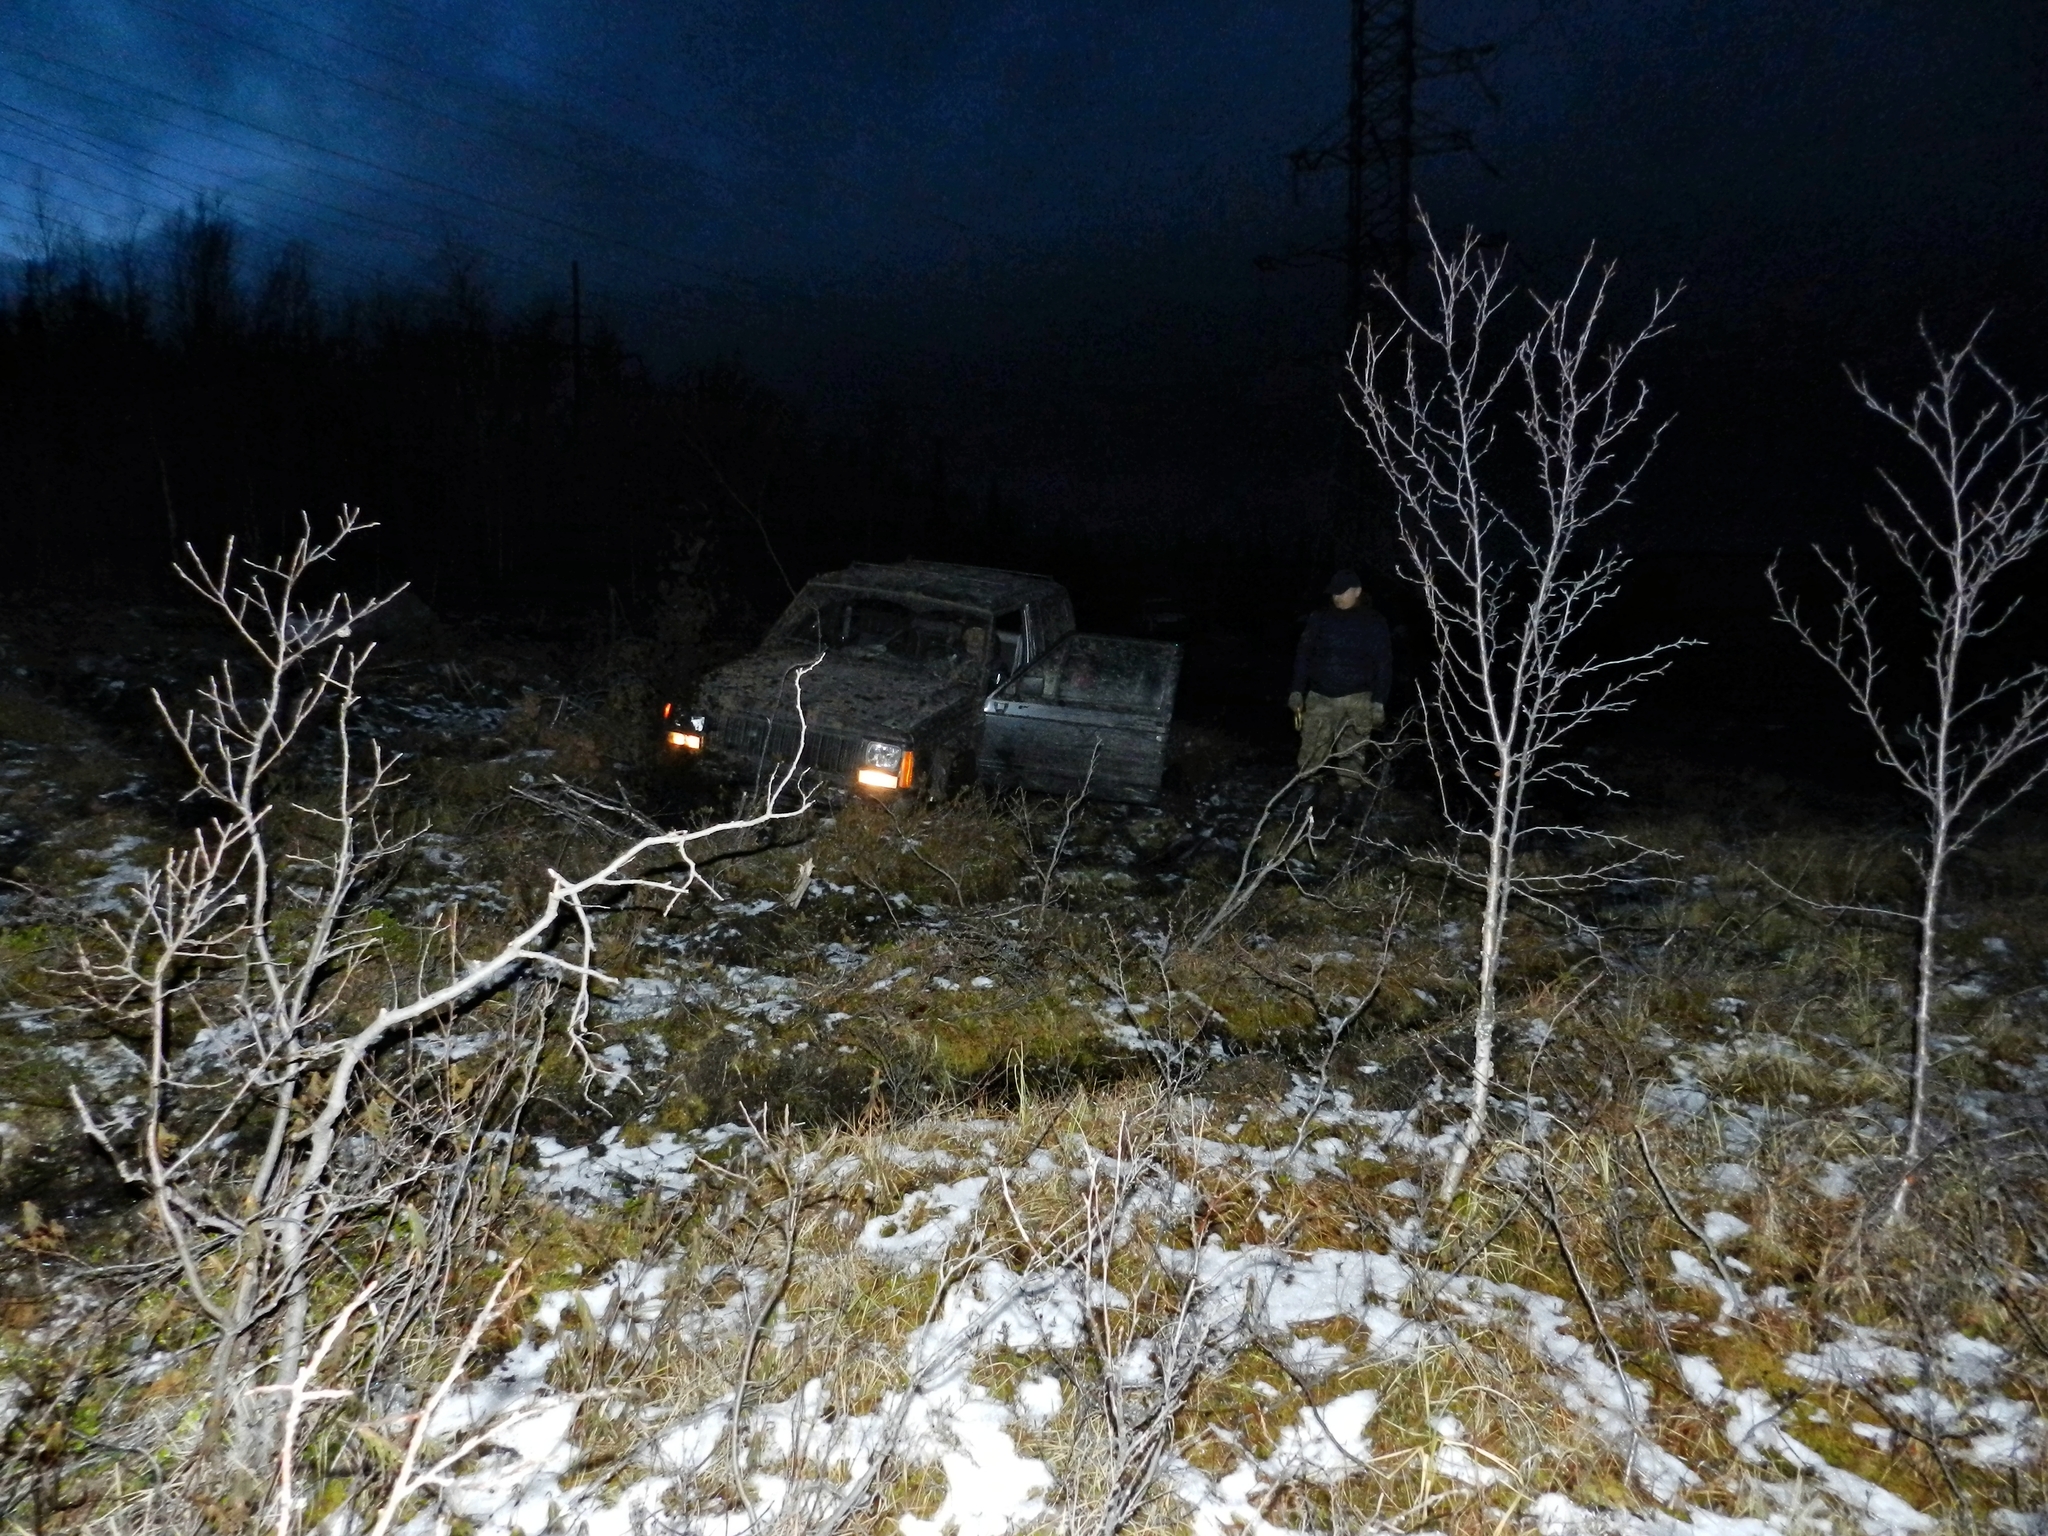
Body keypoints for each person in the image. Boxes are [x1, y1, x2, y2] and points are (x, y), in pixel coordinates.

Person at [1288, 570, 1392, 784]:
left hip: (1357, 700)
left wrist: (1379, 702)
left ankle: (1347, 812)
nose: (1337, 597)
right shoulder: (1319, 618)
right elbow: (1303, 655)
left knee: (1352, 757)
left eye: (1342, 592)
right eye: (1334, 593)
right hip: (1320, 697)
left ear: (1357, 592)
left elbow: (1384, 663)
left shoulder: (1374, 621)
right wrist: (1296, 690)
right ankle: (1307, 805)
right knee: (1311, 755)